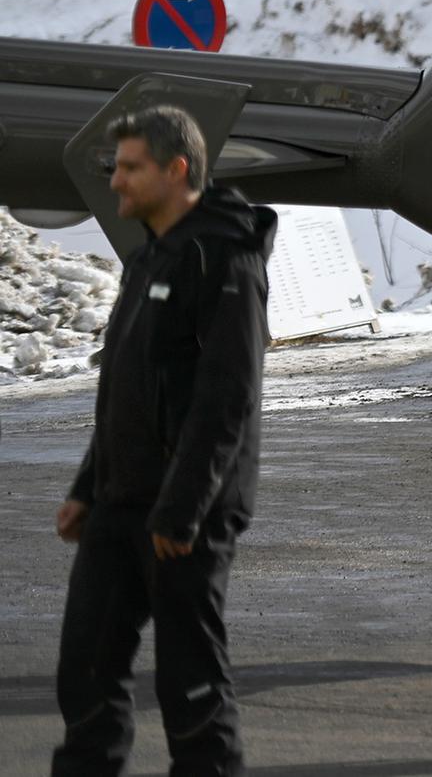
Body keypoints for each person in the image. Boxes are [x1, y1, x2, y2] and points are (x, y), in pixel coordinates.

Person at [54, 106, 277, 777]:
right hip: (122, 504)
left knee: (190, 687)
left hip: (186, 511)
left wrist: (183, 509)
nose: (115, 182)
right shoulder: (150, 254)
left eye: (130, 168)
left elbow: (226, 396)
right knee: (85, 668)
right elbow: (127, 386)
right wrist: (88, 488)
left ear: (176, 170)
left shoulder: (223, 255)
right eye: (115, 167)